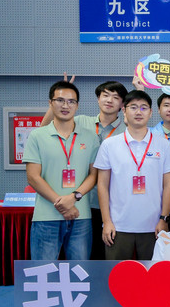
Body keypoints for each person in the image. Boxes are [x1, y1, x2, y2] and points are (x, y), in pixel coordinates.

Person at [42, 77, 128, 260]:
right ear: (98, 99)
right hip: (77, 201)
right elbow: (45, 128)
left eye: (115, 97)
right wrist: (60, 99)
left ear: (122, 104)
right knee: (76, 256)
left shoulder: (126, 132)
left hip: (110, 203)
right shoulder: (80, 121)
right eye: (105, 95)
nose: (109, 100)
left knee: (104, 254)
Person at [94, 90, 170, 260]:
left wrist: (164, 218)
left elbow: (169, 184)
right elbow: (102, 185)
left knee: (153, 273)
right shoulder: (110, 144)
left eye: (143, 108)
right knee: (118, 274)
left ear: (151, 112)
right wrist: (107, 221)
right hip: (118, 226)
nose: (138, 112)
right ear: (124, 110)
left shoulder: (163, 144)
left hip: (153, 226)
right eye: (133, 107)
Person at [23, 81, 99, 260]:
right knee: (43, 271)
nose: (66, 105)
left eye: (71, 101)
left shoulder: (90, 137)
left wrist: (73, 197)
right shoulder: (37, 136)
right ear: (50, 103)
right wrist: (62, 204)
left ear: (77, 105)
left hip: (80, 216)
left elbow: (93, 175)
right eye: (60, 100)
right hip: (46, 217)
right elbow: (33, 177)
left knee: (79, 271)